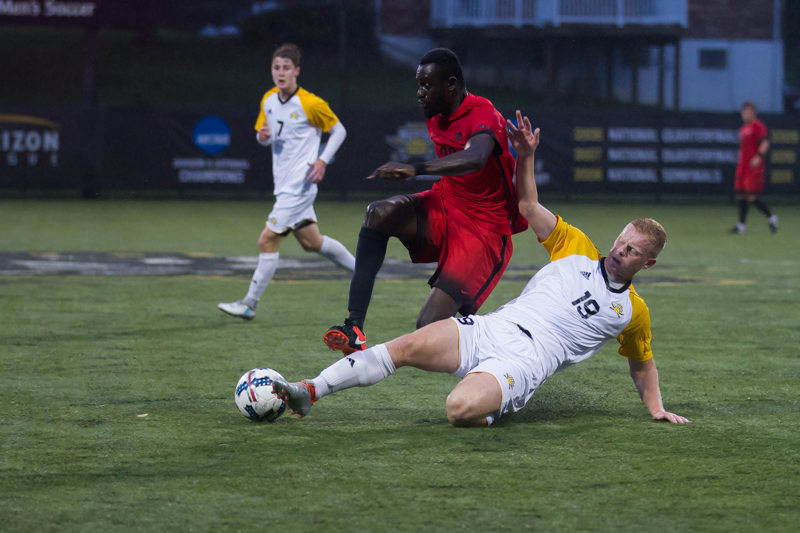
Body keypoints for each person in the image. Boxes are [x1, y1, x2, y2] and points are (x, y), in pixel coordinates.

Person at [271, 111, 691, 428]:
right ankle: (310, 390)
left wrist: (656, 408)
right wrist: (524, 157)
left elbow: (642, 364)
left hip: (527, 360)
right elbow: (527, 207)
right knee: (406, 345)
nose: (620, 251)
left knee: (459, 409)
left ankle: (487, 407)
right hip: (493, 327)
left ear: (647, 263)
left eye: (632, 251)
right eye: (621, 241)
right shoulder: (576, 246)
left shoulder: (633, 312)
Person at [323, 48, 527, 355]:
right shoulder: (437, 113)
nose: (420, 93)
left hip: (485, 229)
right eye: (418, 85)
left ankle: (506, 356)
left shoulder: (484, 114)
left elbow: (475, 157)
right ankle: (354, 328)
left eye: (426, 85)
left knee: (427, 327)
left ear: (451, 84)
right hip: (447, 203)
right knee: (379, 213)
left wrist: (415, 168)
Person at [218, 43, 354, 320]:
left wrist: (322, 160)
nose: (280, 73)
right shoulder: (268, 99)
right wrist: (261, 137)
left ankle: (249, 304)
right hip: (284, 185)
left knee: (267, 241)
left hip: (299, 185)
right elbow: (263, 134)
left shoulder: (311, 103)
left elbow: (339, 131)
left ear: (297, 71)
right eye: (276, 68)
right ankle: (363, 271)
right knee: (312, 243)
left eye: (286, 68)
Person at [730, 102, 778, 234]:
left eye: (748, 111)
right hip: (743, 167)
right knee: (740, 194)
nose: (746, 114)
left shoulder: (758, 126)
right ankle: (741, 226)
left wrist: (759, 156)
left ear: (754, 113)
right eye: (744, 111)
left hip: (753, 166)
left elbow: (765, 142)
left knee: (752, 197)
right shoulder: (744, 128)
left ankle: (772, 218)